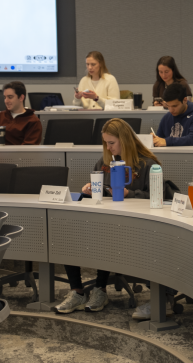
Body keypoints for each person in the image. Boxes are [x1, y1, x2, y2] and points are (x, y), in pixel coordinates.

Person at [56, 118, 163, 314]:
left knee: (104, 235)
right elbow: (102, 191)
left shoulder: (147, 164)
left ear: (125, 140)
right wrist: (90, 190)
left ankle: (100, 289)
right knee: (69, 233)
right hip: (106, 221)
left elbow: (157, 196)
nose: (108, 147)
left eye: (111, 142)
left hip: (135, 226)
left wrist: (130, 194)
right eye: (105, 142)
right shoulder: (104, 162)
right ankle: (77, 292)